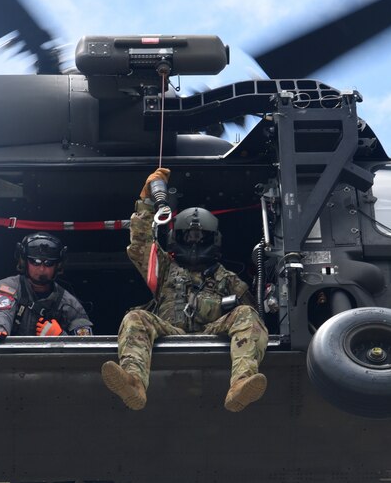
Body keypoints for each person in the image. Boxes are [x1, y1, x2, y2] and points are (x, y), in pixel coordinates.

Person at [101, 168, 268, 412]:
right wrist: (147, 202)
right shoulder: (165, 269)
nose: (193, 242)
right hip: (168, 331)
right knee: (135, 317)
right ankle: (133, 382)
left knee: (247, 314)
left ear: (213, 241)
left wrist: (216, 309)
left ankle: (241, 383)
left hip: (212, 333)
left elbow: (255, 320)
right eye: (187, 237)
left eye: (200, 238)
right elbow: (140, 243)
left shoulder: (228, 279)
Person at [0, 232, 93, 340]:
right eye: (35, 261)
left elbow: (86, 346)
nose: (41, 269)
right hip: (10, 356)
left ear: (58, 265)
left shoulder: (70, 304)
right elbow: (1, 314)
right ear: (24, 261)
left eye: (49, 263)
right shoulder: (9, 287)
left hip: (51, 358)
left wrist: (60, 336)